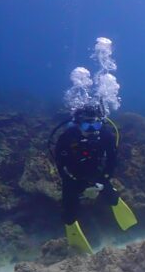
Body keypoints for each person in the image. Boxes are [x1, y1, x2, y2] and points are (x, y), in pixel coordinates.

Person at [54, 103, 136, 253]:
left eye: (96, 124)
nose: (92, 130)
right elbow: (60, 165)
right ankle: (71, 228)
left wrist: (104, 180)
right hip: (72, 174)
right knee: (69, 206)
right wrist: (79, 183)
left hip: (96, 172)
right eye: (87, 125)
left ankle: (130, 229)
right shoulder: (68, 137)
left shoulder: (105, 135)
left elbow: (112, 161)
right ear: (78, 124)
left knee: (111, 195)